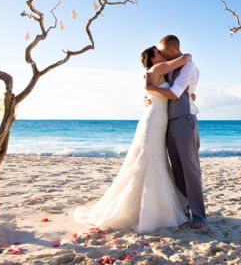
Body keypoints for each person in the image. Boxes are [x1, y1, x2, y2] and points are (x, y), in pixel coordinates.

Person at [73, 46, 191, 232]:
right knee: (149, 160)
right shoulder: (157, 69)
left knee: (152, 159)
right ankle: (149, 210)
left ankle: (152, 207)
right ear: (152, 59)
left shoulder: (153, 72)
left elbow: (150, 93)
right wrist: (188, 55)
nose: (162, 53)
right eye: (158, 53)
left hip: (156, 118)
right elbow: (183, 59)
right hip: (154, 120)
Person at [145, 35, 206, 229]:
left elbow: (174, 93)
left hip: (184, 120)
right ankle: (183, 209)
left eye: (162, 52)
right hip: (167, 122)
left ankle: (199, 216)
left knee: (190, 168)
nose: (161, 55)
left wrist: (152, 89)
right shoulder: (169, 67)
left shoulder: (188, 66)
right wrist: (149, 97)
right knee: (177, 169)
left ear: (171, 51)